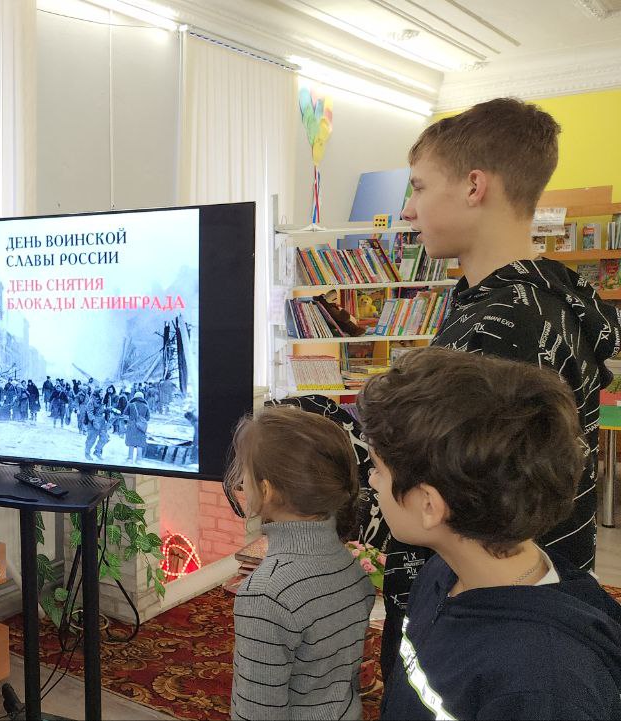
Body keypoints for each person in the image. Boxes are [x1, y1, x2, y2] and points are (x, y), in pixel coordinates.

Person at [378, 97, 621, 685]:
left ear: (473, 186)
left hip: (480, 612)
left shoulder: (495, 331)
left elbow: (452, 486)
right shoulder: (552, 300)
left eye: (417, 187)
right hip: (539, 582)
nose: (408, 210)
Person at [360, 348, 621, 719]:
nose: (372, 481)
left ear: (429, 505)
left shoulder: (544, 685)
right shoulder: (442, 573)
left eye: (379, 471)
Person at [225, 405, 375, 720]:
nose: (240, 482)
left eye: (245, 474)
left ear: (265, 490)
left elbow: (258, 712)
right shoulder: (349, 567)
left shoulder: (265, 593)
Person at [124, 391, 150, 461]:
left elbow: (125, 414)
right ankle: (139, 459)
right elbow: (148, 418)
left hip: (131, 425)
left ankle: (130, 458)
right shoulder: (146, 406)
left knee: (131, 442)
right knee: (140, 443)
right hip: (141, 426)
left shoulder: (131, 404)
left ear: (135, 397)